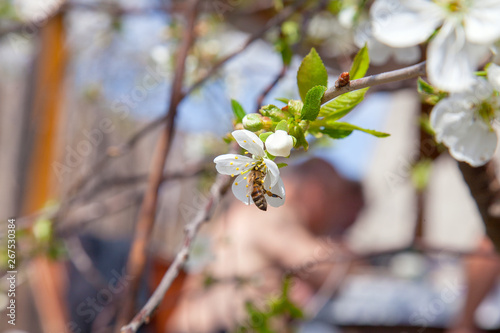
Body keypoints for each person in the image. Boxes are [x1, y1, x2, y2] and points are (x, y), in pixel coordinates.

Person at [166, 158, 364, 332]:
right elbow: (325, 266)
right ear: (316, 192)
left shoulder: (248, 209)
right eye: (335, 202)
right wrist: (353, 258)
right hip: (215, 327)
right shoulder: (270, 211)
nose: (337, 218)